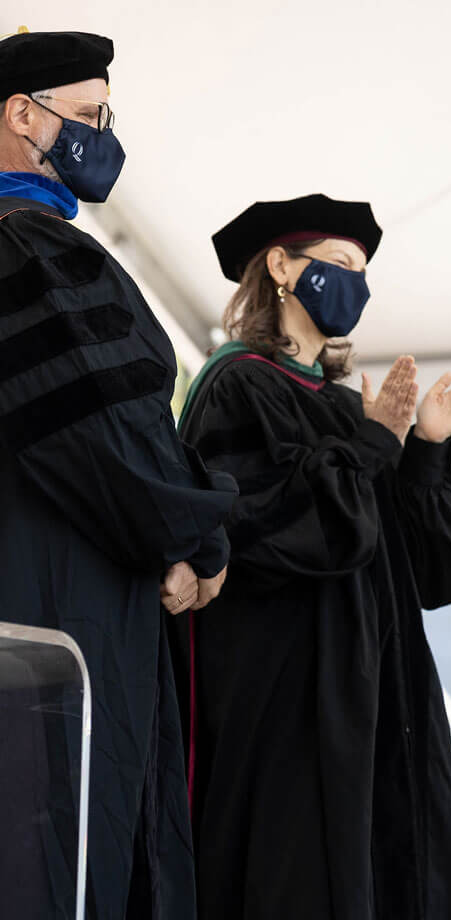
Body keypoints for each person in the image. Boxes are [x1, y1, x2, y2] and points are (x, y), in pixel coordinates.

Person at [168, 194, 451, 920]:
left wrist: (425, 448)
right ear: (281, 266)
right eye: (339, 263)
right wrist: (376, 443)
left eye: (363, 270)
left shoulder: (349, 408)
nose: (355, 281)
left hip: (373, 693)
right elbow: (269, 528)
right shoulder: (236, 384)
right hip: (287, 698)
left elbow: (425, 567)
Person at [0, 28, 235, 920]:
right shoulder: (28, 251)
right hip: (63, 617)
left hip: (44, 605)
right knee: (72, 852)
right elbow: (103, 429)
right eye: (89, 116)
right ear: (23, 115)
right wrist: (195, 538)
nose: (104, 137)